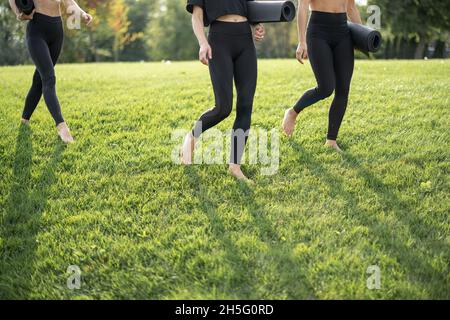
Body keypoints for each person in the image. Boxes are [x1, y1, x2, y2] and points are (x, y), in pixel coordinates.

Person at [181, 0, 265, 182]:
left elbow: (250, 9)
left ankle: (235, 166)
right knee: (223, 108)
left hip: (245, 41)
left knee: (245, 105)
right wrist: (203, 43)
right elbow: (196, 16)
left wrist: (257, 25)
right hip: (219, 41)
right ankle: (192, 136)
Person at [282, 0, 362, 152]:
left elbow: (351, 7)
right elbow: (303, 6)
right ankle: (293, 111)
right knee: (326, 88)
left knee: (343, 89)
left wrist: (363, 36)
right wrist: (301, 41)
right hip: (318, 32)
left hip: (343, 33)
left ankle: (331, 140)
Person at [8, 0, 93, 143]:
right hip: (37, 32)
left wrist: (83, 14)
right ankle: (61, 126)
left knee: (39, 79)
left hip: (56, 32)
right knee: (49, 78)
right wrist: (18, 13)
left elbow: (69, 2)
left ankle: (25, 119)